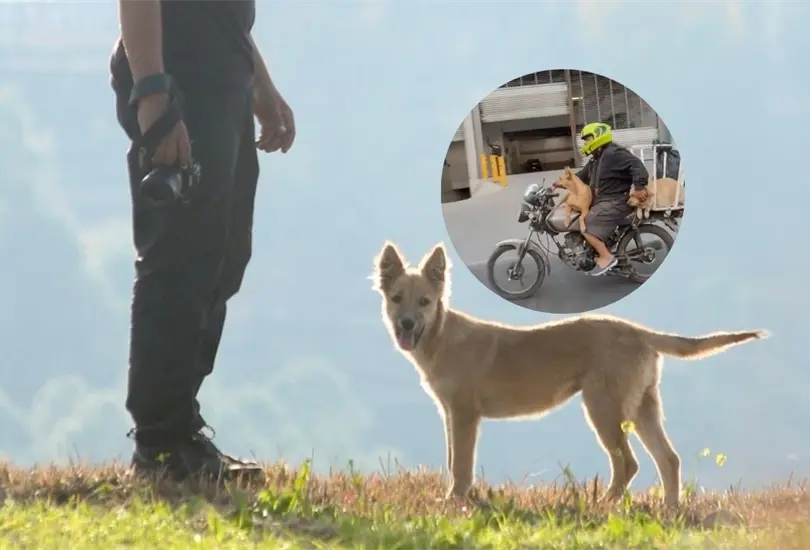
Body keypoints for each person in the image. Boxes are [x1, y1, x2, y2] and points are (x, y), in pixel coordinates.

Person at [110, 0, 296, 482]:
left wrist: (262, 88)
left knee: (225, 255)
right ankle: (160, 444)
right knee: (180, 258)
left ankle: (181, 429)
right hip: (178, 85)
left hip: (221, 84)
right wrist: (153, 94)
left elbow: (221, 14)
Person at [574, 122, 650, 277]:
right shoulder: (597, 158)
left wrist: (639, 187)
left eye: (588, 139)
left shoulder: (613, 153)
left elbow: (636, 165)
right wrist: (559, 184)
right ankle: (597, 248)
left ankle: (606, 257)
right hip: (604, 200)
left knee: (587, 223)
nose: (586, 143)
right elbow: (580, 177)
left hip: (616, 201)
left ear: (598, 136)